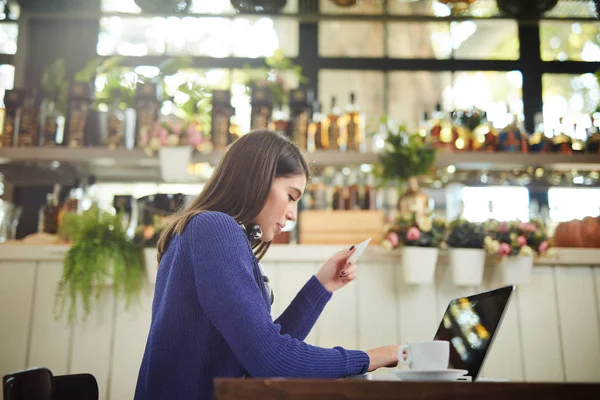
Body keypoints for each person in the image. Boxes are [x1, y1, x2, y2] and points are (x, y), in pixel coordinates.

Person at [134, 130, 399, 400]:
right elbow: (270, 358)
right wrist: (370, 357)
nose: (292, 214)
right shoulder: (214, 228)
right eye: (291, 196)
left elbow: (258, 351)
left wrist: (321, 286)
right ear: (257, 179)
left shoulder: (208, 230)